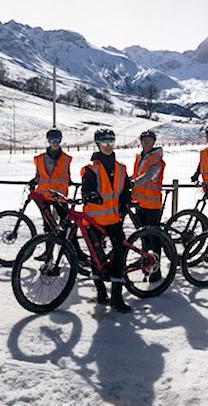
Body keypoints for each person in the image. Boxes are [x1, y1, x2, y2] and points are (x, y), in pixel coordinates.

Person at [81, 128, 134, 312]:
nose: (108, 145)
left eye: (111, 141)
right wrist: (91, 195)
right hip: (94, 221)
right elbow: (86, 189)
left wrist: (126, 201)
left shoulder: (121, 168)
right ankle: (101, 294)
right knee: (97, 258)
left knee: (120, 252)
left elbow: (126, 189)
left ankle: (117, 298)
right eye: (104, 142)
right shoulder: (91, 169)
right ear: (97, 144)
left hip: (114, 220)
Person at [131, 130, 166, 282]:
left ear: (153, 142)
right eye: (144, 140)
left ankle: (156, 270)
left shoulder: (157, 159)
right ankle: (146, 264)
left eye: (149, 140)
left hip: (152, 203)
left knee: (154, 237)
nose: (146, 143)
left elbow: (148, 176)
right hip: (139, 202)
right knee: (143, 236)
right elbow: (136, 174)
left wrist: (132, 183)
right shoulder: (140, 156)